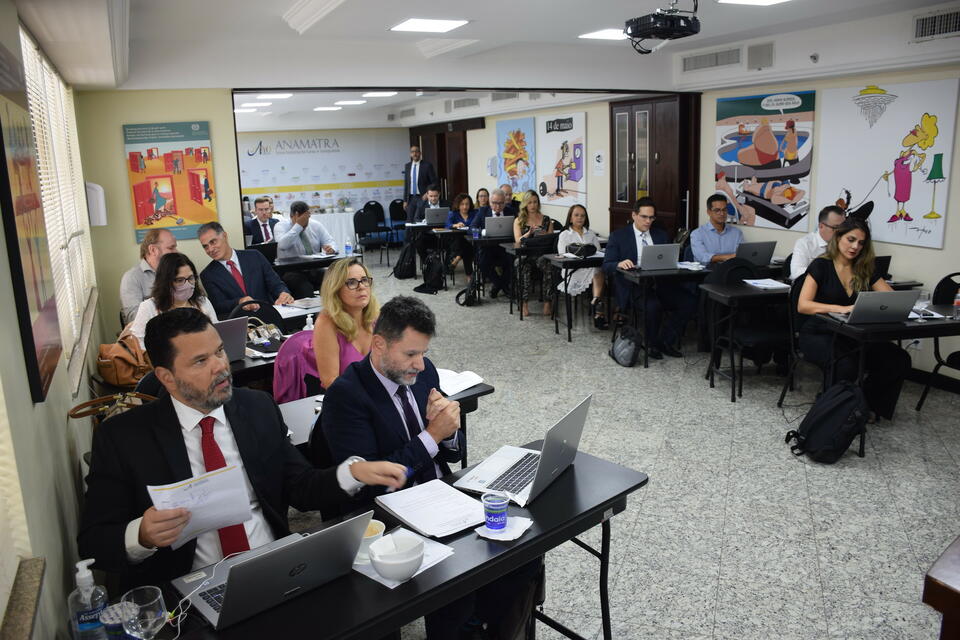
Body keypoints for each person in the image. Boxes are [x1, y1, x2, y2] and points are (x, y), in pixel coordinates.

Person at [77, 307, 407, 589]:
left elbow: (301, 487)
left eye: (219, 351)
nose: (220, 366)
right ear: (166, 377)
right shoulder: (123, 438)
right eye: (200, 361)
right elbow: (94, 543)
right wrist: (142, 535)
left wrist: (352, 472)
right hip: (189, 589)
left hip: (273, 569)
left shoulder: (257, 407)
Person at [320, 296, 539, 640]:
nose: (420, 364)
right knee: (457, 584)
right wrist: (432, 435)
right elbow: (372, 483)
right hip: (390, 515)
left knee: (525, 555)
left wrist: (447, 433)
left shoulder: (424, 373)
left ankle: (487, 627)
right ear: (379, 345)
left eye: (423, 352)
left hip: (441, 497)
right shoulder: (347, 396)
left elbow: (451, 454)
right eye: (411, 354)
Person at [796, 217, 911, 421]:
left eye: (861, 243)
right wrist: (840, 308)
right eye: (851, 240)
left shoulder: (865, 268)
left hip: (851, 334)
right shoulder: (821, 265)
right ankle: (832, 410)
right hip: (819, 332)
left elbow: (891, 299)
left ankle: (865, 405)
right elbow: (803, 305)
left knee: (897, 359)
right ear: (838, 237)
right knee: (845, 364)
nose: (855, 247)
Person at [602, 197, 696, 359]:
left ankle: (665, 341)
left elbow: (670, 259)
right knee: (653, 306)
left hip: (660, 283)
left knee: (689, 302)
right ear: (634, 215)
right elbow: (607, 265)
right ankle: (652, 345)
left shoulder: (661, 235)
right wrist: (619, 263)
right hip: (634, 286)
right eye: (644, 217)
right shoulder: (619, 236)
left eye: (651, 218)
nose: (648, 221)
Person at [197, 222, 293, 318]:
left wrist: (283, 293)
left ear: (225, 236)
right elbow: (219, 305)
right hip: (240, 321)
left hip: (270, 315)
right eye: (205, 246)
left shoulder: (255, 256)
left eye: (213, 242)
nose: (210, 249)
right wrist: (240, 301)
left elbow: (276, 284)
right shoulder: (207, 274)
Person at [312, 258, 379, 390]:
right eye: (351, 282)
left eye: (364, 280)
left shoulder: (376, 318)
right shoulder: (326, 323)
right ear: (335, 289)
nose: (361, 287)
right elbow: (330, 382)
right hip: (345, 398)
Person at [129, 253, 218, 348]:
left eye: (191, 278)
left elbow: (217, 333)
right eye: (179, 280)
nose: (187, 284)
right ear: (165, 282)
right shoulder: (149, 307)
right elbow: (137, 344)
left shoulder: (202, 302)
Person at [557, 204, 607, 328]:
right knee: (597, 271)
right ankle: (598, 308)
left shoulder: (590, 234)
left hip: (590, 267)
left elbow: (598, 251)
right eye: (576, 215)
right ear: (570, 218)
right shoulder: (565, 235)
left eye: (583, 216)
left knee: (598, 269)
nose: (580, 218)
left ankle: (596, 302)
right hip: (573, 270)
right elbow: (562, 254)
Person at [274, 201, 337, 298]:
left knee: (333, 279)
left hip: (313, 268)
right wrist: (298, 226)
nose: (304, 224)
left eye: (306, 220)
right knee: (304, 287)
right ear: (293, 216)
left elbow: (330, 241)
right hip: (291, 270)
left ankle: (330, 306)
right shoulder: (280, 226)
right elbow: (282, 245)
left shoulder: (316, 225)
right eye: (302, 220)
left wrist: (331, 248)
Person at [119, 229, 178, 324]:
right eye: (171, 248)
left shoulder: (179, 271)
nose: (176, 252)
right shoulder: (132, 278)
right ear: (153, 250)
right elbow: (134, 318)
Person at [513, 190, 556, 317]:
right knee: (522, 265)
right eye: (530, 202)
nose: (533, 205)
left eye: (535, 202)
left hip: (542, 253)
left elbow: (552, 240)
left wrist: (545, 235)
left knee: (549, 265)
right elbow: (518, 240)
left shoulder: (546, 220)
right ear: (525, 204)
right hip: (525, 254)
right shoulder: (519, 220)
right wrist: (529, 233)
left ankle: (547, 302)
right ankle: (524, 303)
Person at [473, 188, 513, 298]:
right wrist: (482, 231)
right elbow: (471, 228)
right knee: (482, 262)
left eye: (501, 203)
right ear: (490, 202)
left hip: (506, 247)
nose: (498, 206)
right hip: (488, 248)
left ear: (505, 202)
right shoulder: (483, 211)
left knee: (513, 260)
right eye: (495, 203)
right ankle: (501, 285)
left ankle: (499, 286)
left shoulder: (511, 211)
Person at [790, 205, 846, 281]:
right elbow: (796, 273)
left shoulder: (845, 243)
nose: (840, 232)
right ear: (821, 226)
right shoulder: (805, 243)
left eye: (843, 228)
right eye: (835, 228)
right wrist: (826, 271)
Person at [690, 194, 744, 264]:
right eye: (717, 210)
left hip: (731, 268)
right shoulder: (697, 234)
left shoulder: (737, 233)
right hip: (707, 269)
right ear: (709, 212)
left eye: (724, 210)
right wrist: (727, 257)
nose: (722, 213)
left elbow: (742, 254)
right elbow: (702, 257)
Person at [443, 193, 477, 276]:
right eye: (462, 204)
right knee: (466, 245)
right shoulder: (453, 213)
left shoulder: (474, 213)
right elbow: (447, 225)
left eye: (467, 204)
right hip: (456, 242)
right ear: (457, 205)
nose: (465, 207)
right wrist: (454, 225)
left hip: (472, 240)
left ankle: (458, 258)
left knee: (467, 245)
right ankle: (469, 276)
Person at [403, 144, 438, 221]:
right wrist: (405, 200)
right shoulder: (407, 166)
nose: (414, 154)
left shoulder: (427, 165)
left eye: (416, 151)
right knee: (409, 220)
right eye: (412, 152)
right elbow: (406, 184)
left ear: (420, 153)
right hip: (411, 198)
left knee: (420, 219)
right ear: (410, 154)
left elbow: (434, 182)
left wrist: (427, 193)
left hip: (422, 197)